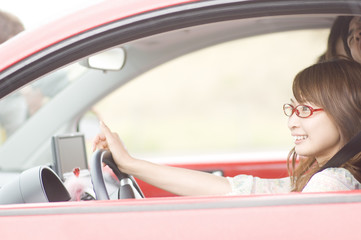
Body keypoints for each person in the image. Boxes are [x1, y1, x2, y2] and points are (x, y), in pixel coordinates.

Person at [93, 59, 361, 196]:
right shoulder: (325, 176)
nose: (292, 121)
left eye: (305, 110)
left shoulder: (330, 183)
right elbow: (236, 189)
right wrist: (129, 164)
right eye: (291, 109)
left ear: (344, 112)